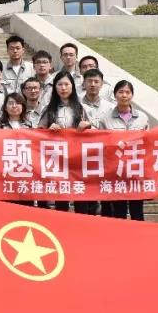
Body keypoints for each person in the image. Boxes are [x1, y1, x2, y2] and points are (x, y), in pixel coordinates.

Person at [41, 71, 94, 214]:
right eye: (59, 84)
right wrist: (48, 130)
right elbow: (38, 133)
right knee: (61, 198)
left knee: (80, 197)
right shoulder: (49, 109)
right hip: (57, 160)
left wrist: (87, 126)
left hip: (78, 159)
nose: (63, 88)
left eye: (66, 84)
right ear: (55, 87)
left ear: (72, 87)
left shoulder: (81, 108)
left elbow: (96, 133)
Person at [96, 80, 148, 221]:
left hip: (136, 171)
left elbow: (148, 143)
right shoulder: (105, 118)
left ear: (132, 95)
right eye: (120, 92)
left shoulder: (143, 118)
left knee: (137, 211)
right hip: (116, 171)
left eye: (127, 92)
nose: (124, 95)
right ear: (115, 95)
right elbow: (102, 144)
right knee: (119, 210)